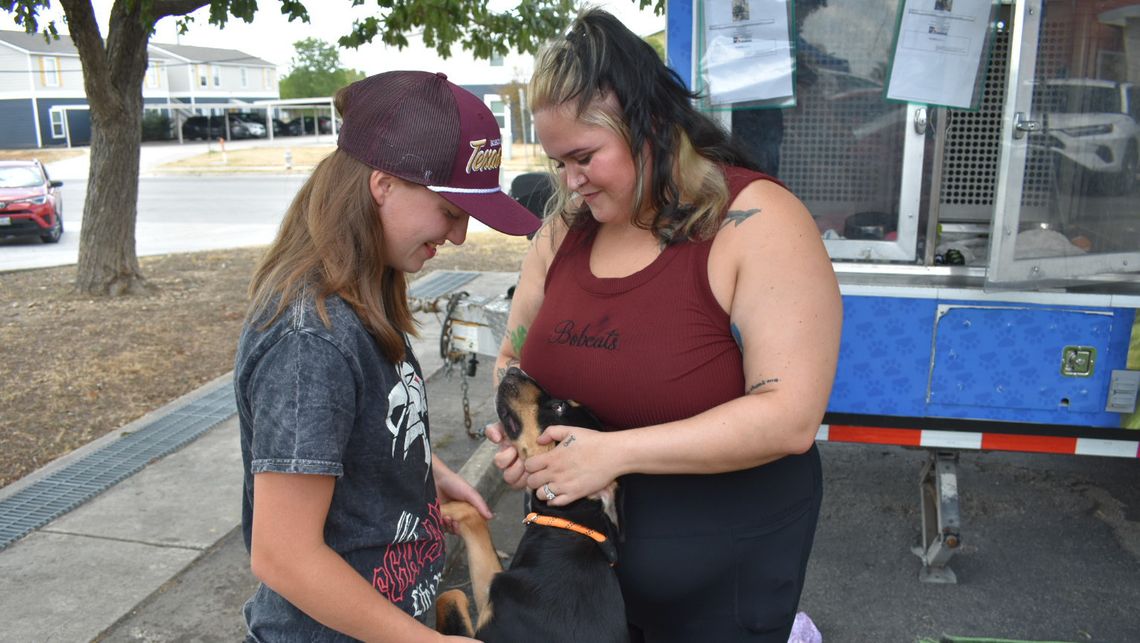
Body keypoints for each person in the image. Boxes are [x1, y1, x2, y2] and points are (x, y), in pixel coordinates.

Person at [485, 10, 842, 642]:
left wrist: (613, 455)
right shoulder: (565, 229)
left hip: (718, 585)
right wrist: (524, 442)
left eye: (584, 157)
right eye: (557, 161)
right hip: (578, 592)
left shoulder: (757, 219)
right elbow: (515, 356)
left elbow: (790, 415)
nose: (569, 181)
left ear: (647, 123)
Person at [234, 70, 541, 642]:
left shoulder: (366, 294)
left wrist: (424, 469)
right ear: (383, 185)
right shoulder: (311, 340)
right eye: (450, 211)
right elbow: (283, 555)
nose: (459, 237)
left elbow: (361, 431)